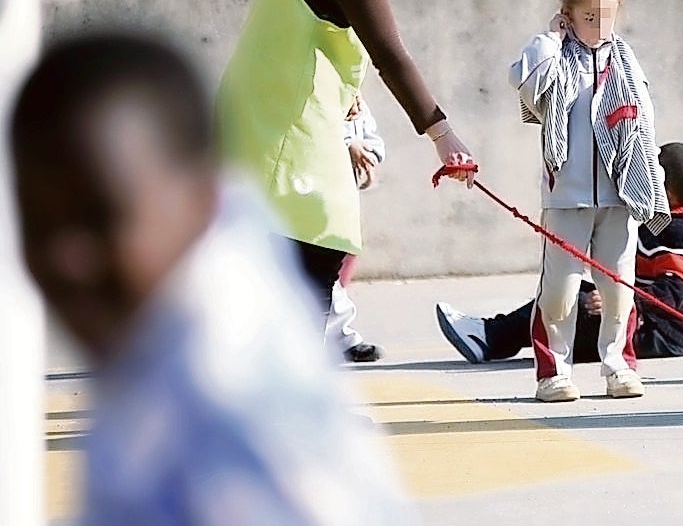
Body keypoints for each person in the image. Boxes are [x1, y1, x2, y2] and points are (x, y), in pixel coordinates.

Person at [10, 33, 414, 524]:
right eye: (35, 223)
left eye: (100, 219)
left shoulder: (228, 412)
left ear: (201, 201)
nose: (64, 259)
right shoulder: (180, 305)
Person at [216, 0, 476, 328]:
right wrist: (443, 135)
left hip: (263, 119)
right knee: (315, 263)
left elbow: (315, 26)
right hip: (289, 132)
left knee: (278, 282)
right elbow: (389, 50)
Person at [508, 0, 669, 403]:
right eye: (589, 17)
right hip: (567, 197)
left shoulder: (626, 61)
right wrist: (551, 35)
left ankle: (619, 365)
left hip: (620, 196)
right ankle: (553, 373)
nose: (600, 26)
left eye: (608, 16)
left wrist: (648, 179)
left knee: (618, 289)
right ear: (569, 13)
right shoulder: (555, 58)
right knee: (559, 290)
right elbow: (525, 82)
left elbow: (644, 125)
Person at [436, 142, 683, 364]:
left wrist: (624, 300)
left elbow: (674, 290)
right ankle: (496, 334)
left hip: (656, 334)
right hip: (670, 333)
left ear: (666, 191)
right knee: (574, 292)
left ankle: (489, 338)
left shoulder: (675, 233)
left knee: (568, 301)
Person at [329, 94, 384, 363]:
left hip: (342, 192)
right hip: (308, 187)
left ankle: (337, 335)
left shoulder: (355, 97)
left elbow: (369, 133)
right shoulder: (314, 86)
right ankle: (340, 336)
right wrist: (348, 143)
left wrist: (368, 156)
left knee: (341, 254)